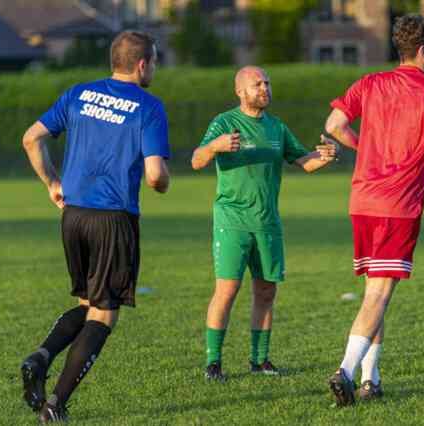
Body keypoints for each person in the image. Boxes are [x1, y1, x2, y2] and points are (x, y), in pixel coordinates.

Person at [20, 30, 170, 423]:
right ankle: (56, 406)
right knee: (104, 315)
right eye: (153, 62)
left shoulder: (78, 94)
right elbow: (155, 175)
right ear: (142, 64)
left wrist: (53, 183)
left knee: (88, 305)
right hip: (113, 219)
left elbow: (31, 138)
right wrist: (163, 183)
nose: (154, 68)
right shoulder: (148, 106)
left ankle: (41, 357)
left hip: (73, 216)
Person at [324, 14, 424, 406]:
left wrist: (365, 146)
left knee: (374, 291)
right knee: (380, 292)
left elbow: (334, 124)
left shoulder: (370, 83)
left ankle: (371, 379)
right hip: (398, 204)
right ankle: (346, 371)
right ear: (422, 51)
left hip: (362, 200)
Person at [192, 66, 339, 381]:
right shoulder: (224, 122)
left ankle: (259, 361)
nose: (264, 88)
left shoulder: (276, 127)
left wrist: (326, 155)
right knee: (228, 289)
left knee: (266, 291)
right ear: (240, 91)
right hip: (232, 220)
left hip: (268, 221)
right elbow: (197, 160)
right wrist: (214, 147)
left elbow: (304, 160)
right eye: (257, 84)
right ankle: (213, 363)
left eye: (267, 83)